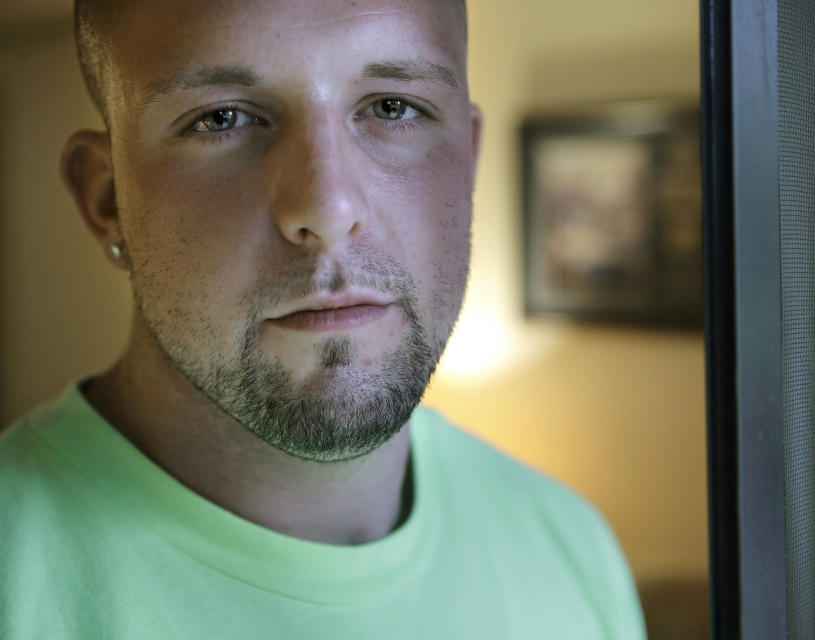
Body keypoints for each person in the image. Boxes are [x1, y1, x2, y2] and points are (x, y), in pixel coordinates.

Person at [0, 0, 646, 637]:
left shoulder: (568, 545)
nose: (330, 208)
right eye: (221, 117)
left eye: (394, 107)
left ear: (468, 163)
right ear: (107, 199)